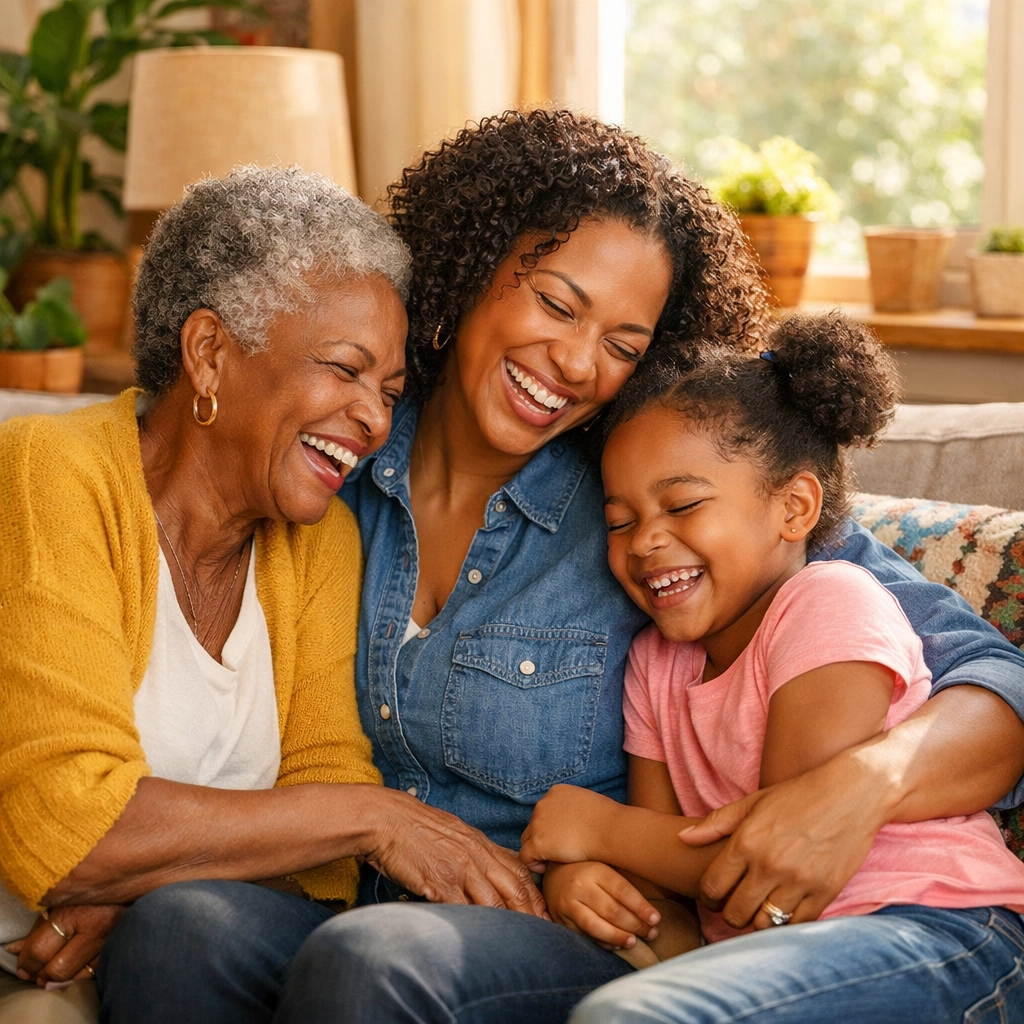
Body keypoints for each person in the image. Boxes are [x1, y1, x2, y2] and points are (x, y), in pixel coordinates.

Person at [273, 110, 1024, 1023]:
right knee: (182, 924)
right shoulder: (339, 458)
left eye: (624, 346)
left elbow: (991, 676)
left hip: (550, 926)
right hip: (354, 889)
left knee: (372, 960)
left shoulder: (658, 499)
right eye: (556, 302)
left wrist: (863, 782)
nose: (578, 363)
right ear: (468, 268)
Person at [0, 165, 543, 1024]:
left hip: (157, 954)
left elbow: (319, 838)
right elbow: (68, 827)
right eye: (345, 369)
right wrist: (376, 819)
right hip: (27, 967)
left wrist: (146, 884)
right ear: (210, 352)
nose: (372, 419)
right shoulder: (52, 476)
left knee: (183, 932)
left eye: (390, 392)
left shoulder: (319, 539)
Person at [518, 312, 1024, 1023]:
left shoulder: (829, 604)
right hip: (772, 954)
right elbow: (672, 892)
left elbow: (778, 859)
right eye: (621, 520)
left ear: (794, 508)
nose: (647, 540)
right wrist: (592, 884)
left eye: (683, 503)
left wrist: (596, 829)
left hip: (938, 931)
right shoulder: (655, 666)